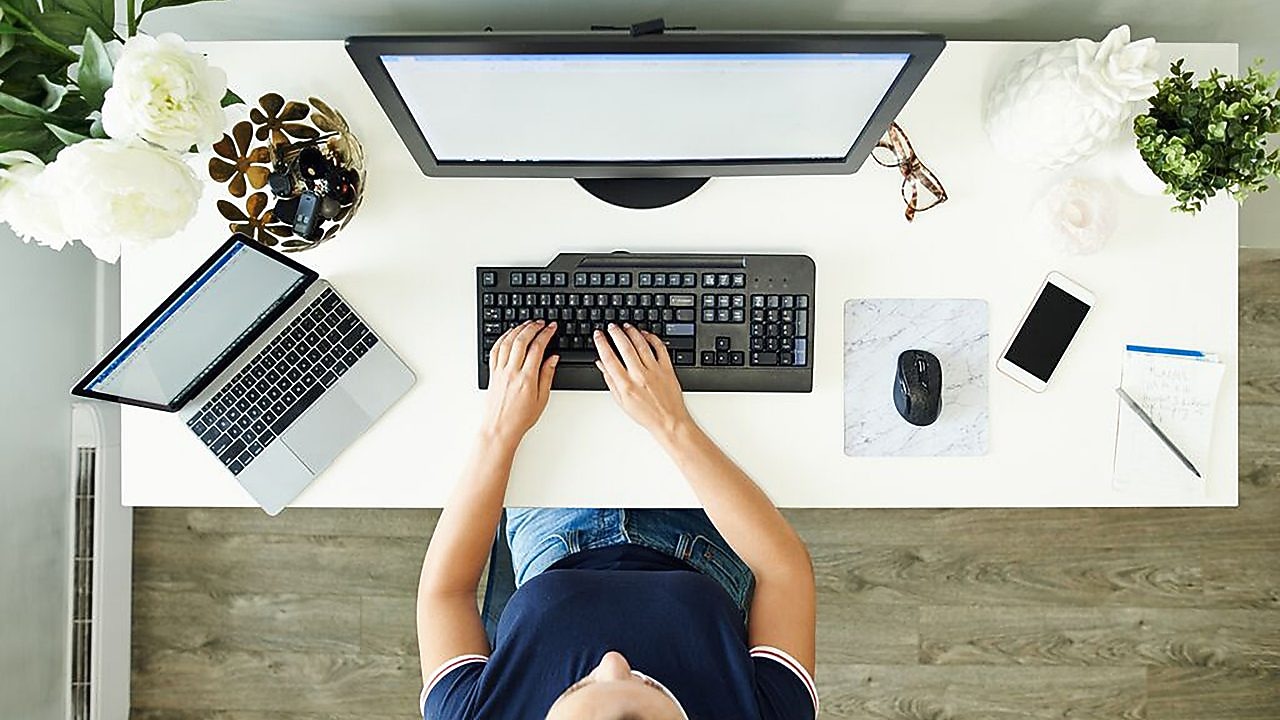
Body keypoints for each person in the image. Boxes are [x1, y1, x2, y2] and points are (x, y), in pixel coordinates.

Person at [416, 319, 818, 720]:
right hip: (706, 532)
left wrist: (499, 430)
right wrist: (671, 423)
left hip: (552, 530)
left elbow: (446, 593)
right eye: (646, 681)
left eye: (581, 683)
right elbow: (784, 572)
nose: (612, 660)